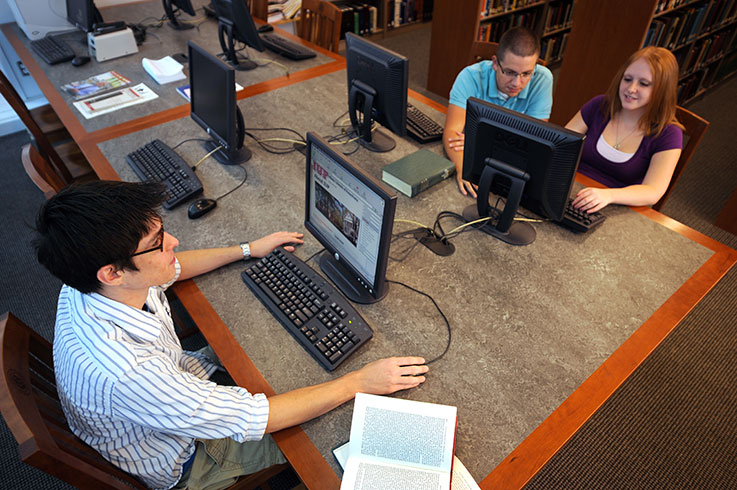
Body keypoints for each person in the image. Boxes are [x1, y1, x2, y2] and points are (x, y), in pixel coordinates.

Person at [34, 181, 428, 490]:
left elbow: (170, 269)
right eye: (156, 242)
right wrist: (361, 382)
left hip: (175, 387)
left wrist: (246, 249)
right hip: (188, 457)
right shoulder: (127, 372)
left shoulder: (90, 282)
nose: (173, 242)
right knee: (333, 435)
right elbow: (259, 416)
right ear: (113, 272)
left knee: (274, 351)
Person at [566, 46, 684, 213]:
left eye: (644, 84)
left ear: (661, 90)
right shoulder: (600, 105)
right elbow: (560, 144)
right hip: (571, 189)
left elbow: (653, 191)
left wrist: (609, 196)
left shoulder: (669, 134)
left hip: (616, 207)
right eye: (627, 79)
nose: (631, 88)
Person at [444, 26, 554, 197]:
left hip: (511, 171)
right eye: (510, 72)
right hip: (480, 163)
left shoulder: (543, 79)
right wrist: (464, 170)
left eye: (526, 73)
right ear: (495, 63)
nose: (517, 83)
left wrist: (479, 142)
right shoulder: (469, 76)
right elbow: (452, 134)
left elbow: (534, 143)